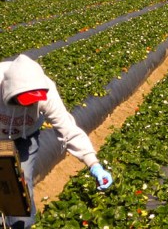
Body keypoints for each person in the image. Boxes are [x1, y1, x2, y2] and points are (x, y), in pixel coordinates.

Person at [0, 54, 113, 229]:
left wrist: (94, 164)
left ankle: (20, 225)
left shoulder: (47, 92)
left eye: (32, 103)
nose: (28, 107)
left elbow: (68, 130)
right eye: (23, 102)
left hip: (25, 137)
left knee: (21, 185)